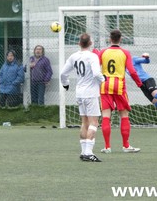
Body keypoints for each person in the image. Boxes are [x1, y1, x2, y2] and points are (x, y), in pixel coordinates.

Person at [60, 33, 105, 162]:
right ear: (90, 43)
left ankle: (83, 152)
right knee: (94, 122)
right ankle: (88, 152)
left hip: (79, 93)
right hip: (90, 94)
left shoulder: (73, 56)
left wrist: (66, 84)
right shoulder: (93, 56)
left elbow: (63, 73)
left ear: (79, 43)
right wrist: (104, 80)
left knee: (84, 122)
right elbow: (96, 73)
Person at [99, 29, 143, 154]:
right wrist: (139, 83)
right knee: (124, 115)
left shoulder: (103, 52)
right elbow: (132, 71)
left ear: (109, 39)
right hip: (119, 86)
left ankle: (107, 147)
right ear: (121, 39)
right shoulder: (125, 53)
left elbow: (96, 68)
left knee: (106, 116)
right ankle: (126, 145)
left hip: (105, 85)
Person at [128, 53, 157, 117]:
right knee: (156, 102)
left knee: (156, 95)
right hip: (141, 85)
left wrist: (146, 58)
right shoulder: (123, 66)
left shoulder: (133, 59)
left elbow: (146, 61)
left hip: (147, 80)